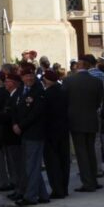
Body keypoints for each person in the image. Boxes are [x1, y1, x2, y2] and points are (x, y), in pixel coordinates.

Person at [64, 55, 104, 192]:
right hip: (91, 119)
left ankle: (88, 182)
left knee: (81, 153)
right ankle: (93, 179)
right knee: (90, 151)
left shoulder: (68, 81)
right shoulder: (96, 82)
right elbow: (99, 101)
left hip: (75, 120)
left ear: (79, 66)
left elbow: (65, 101)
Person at [12, 67, 48, 206]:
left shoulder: (38, 91)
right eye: (26, 76)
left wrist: (20, 126)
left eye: (31, 76)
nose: (29, 78)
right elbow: (14, 108)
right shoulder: (21, 90)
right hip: (24, 133)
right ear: (22, 78)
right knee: (30, 165)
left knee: (32, 166)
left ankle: (31, 196)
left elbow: (36, 113)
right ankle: (43, 194)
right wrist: (15, 123)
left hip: (34, 132)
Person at [40, 70, 71, 199]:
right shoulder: (64, 91)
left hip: (50, 131)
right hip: (63, 129)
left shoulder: (46, 94)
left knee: (53, 162)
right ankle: (64, 187)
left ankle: (57, 190)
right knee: (64, 160)